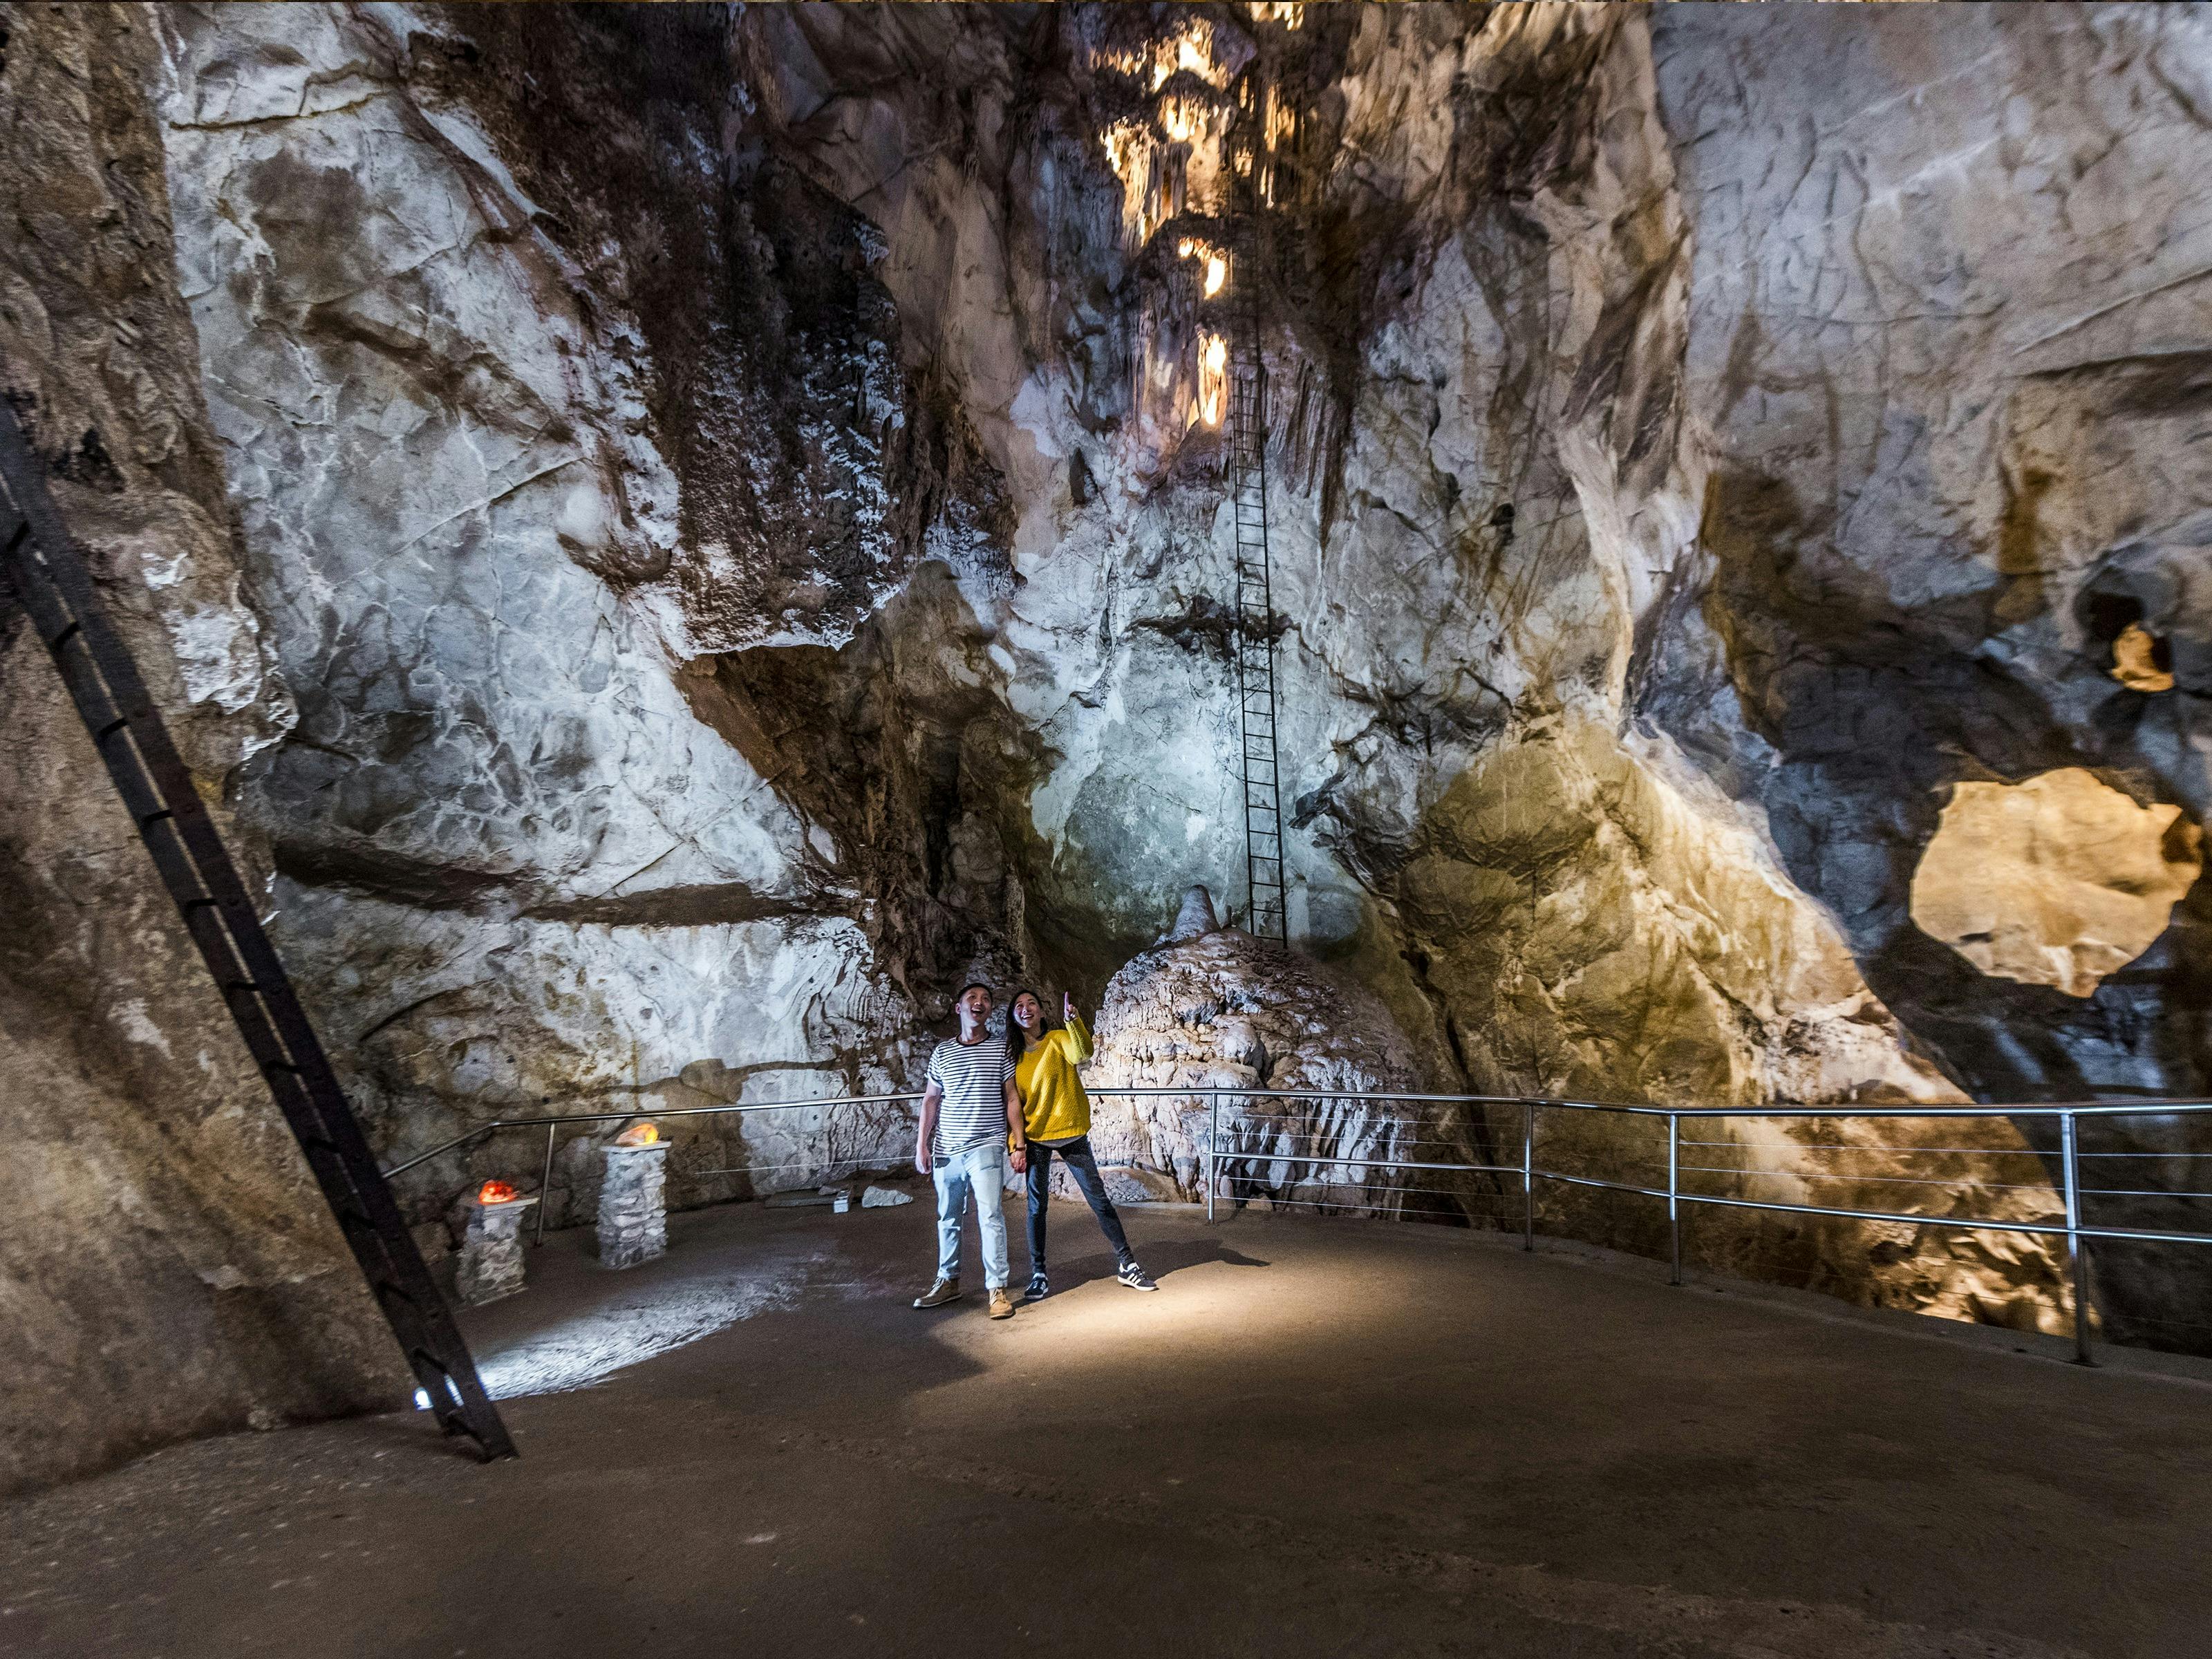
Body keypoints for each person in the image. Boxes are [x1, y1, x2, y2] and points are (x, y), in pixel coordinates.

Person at [1007, 988, 1156, 1298]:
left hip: (1071, 1133)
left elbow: (1082, 1053)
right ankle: (1038, 1274)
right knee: (1036, 1208)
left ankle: (1127, 1264)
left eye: (1031, 1003)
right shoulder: (1013, 1057)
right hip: (1035, 1139)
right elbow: (1012, 1105)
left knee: (1099, 1200)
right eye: (1019, 1005)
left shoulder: (1058, 1038)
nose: (1025, 1008)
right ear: (1013, 1015)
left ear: (1042, 1012)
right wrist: (1015, 1145)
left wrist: (1073, 1022)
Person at [912, 982, 1029, 1320]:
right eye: (972, 998)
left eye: (986, 999)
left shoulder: (1000, 1049)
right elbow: (931, 1099)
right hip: (947, 1149)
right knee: (948, 1217)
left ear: (990, 1009)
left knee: (990, 1215)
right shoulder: (943, 1052)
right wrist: (922, 1145)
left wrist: (1018, 1143)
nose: (980, 1002)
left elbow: (1011, 1098)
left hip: (986, 1145)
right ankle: (948, 1281)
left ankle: (997, 1288)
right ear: (958, 1007)